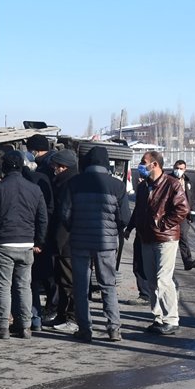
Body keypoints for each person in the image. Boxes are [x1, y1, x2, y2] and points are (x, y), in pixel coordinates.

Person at [58, 146, 130, 342]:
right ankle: (114, 328)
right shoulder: (117, 186)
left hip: (79, 242)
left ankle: (85, 329)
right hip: (106, 244)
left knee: (81, 287)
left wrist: (75, 228)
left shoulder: (74, 183)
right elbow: (124, 218)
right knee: (108, 285)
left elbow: (65, 214)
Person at [0, 151, 48, 340]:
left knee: (3, 287)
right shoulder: (35, 189)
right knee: (24, 286)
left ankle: (3, 326)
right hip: (27, 244)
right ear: (21, 167)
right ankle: (25, 326)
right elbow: (43, 219)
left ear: (4, 167)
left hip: (3, 243)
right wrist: (39, 241)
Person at [128, 151, 190, 335]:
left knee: (164, 279)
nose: (140, 165)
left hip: (166, 238)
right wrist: (131, 227)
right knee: (151, 280)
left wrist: (163, 224)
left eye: (143, 162)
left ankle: (171, 319)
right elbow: (139, 210)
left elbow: (183, 209)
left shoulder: (172, 185)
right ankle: (158, 318)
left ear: (154, 165)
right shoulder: (143, 187)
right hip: (147, 238)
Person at [46, 149, 80, 331]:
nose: (53, 170)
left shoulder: (68, 184)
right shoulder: (66, 182)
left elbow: (65, 216)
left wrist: (57, 243)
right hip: (65, 242)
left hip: (67, 244)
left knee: (69, 283)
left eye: (55, 167)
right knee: (62, 282)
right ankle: (61, 316)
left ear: (63, 167)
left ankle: (72, 319)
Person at [22, 150, 55, 329]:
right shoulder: (40, 183)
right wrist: (40, 240)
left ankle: (18, 318)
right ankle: (35, 319)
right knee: (32, 280)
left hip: (15, 240)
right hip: (35, 239)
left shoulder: (2, 186)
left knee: (17, 282)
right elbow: (45, 214)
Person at [172, 160, 195, 271]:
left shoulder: (187, 182)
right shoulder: (168, 180)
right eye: (177, 168)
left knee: (182, 235)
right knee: (170, 239)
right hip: (172, 213)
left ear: (185, 169)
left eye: (181, 168)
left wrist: (192, 211)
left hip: (184, 214)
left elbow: (191, 198)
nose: (178, 170)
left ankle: (187, 260)